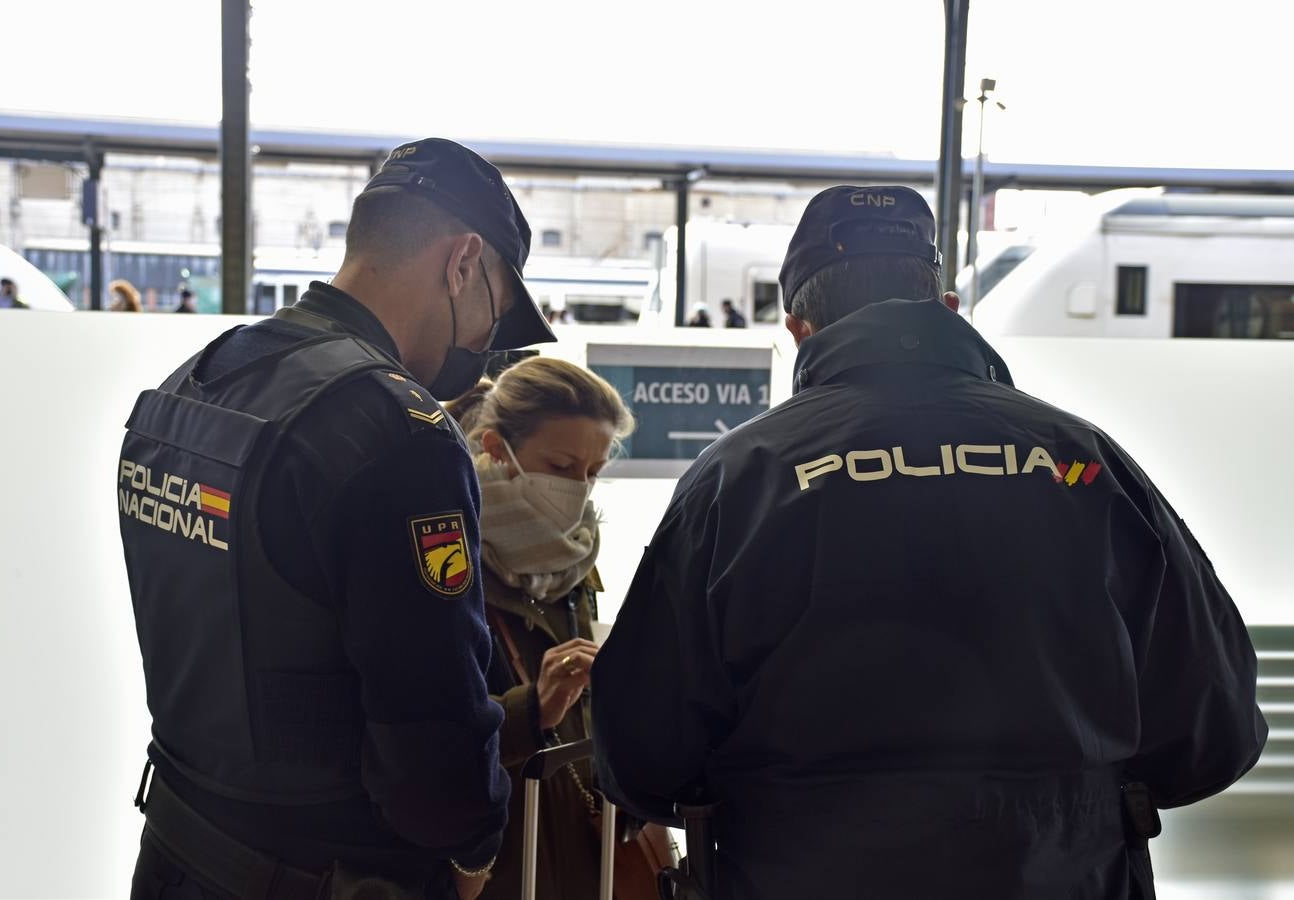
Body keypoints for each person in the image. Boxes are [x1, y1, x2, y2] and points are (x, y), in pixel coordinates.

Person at [591, 185, 1267, 900]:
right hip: (1063, 873)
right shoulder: (1086, 462)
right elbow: (1212, 728)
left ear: (798, 328)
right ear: (947, 309)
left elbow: (641, 752)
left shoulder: (739, 475)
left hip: (801, 872)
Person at [117, 137, 557, 900]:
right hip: (324, 875)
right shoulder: (394, 434)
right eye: (498, 308)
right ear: (461, 263)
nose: (489, 351)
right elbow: (432, 730)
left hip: (176, 852)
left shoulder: (196, 384)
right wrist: (473, 853)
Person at [445, 357, 639, 900]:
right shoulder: (446, 562)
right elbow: (424, 739)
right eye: (560, 465)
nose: (578, 490)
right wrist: (531, 710)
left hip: (577, 856)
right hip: (490, 870)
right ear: (495, 449)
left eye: (594, 472)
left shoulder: (574, 560)